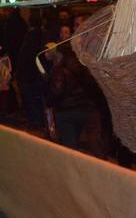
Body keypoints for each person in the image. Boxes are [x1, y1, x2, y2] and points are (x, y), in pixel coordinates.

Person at [44, 29, 104, 157]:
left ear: (61, 54)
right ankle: (102, 164)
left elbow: (56, 91)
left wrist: (48, 103)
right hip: (86, 109)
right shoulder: (84, 67)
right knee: (92, 142)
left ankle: (72, 166)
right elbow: (93, 87)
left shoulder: (59, 70)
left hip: (66, 112)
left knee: (70, 147)